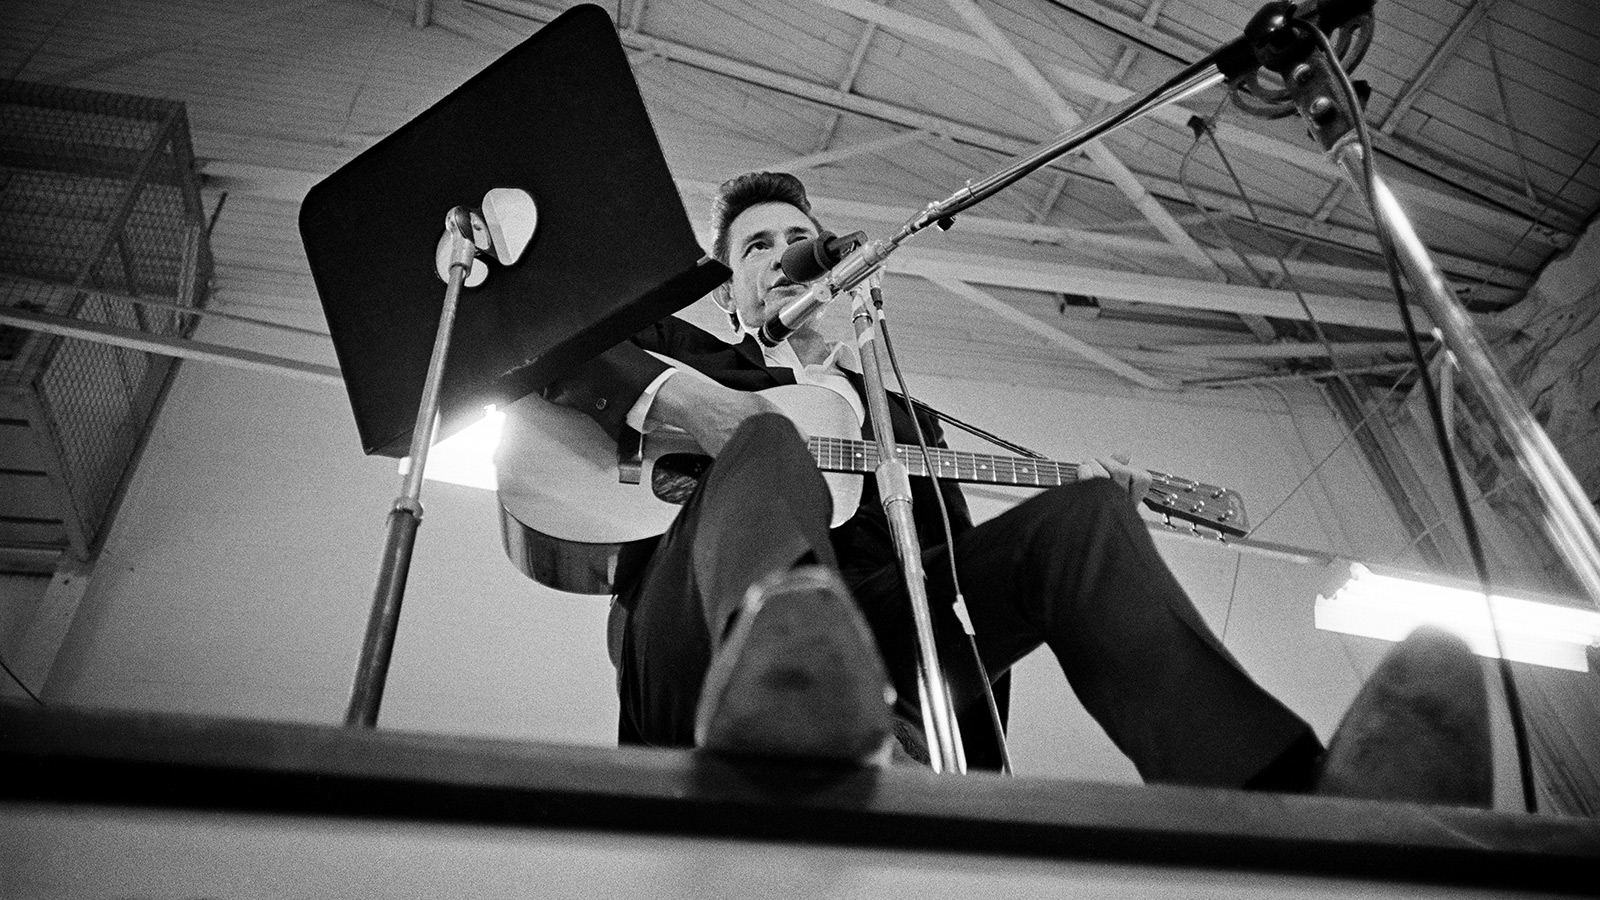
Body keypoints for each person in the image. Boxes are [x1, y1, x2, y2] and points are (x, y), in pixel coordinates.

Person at [537, 171, 1490, 801]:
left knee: (1084, 521)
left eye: (800, 238)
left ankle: (1292, 799)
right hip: (698, 639)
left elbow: (952, 590)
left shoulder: (904, 419)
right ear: (727, 293)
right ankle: (781, 677)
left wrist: (965, 755)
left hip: (875, 655)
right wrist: (693, 404)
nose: (783, 255)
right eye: (756, 247)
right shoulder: (686, 349)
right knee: (769, 440)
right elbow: (547, 345)